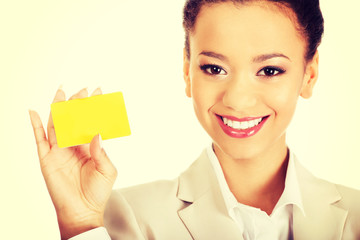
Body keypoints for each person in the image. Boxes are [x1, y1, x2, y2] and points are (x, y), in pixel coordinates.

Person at [29, 0, 360, 239]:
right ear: (187, 71)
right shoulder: (120, 216)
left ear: (310, 74)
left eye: (270, 70)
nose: (238, 99)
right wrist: (80, 220)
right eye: (214, 68)